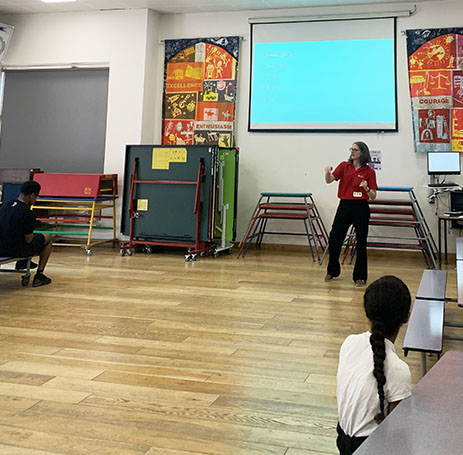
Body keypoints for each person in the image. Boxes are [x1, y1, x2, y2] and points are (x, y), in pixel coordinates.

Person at [336, 275, 412, 455]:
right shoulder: (398, 369)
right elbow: (397, 433)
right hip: (369, 447)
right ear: (406, 317)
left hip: (342, 438)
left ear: (367, 312)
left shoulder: (349, 342)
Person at [324, 142, 378, 286]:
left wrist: (366, 189)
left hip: (360, 207)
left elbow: (373, 195)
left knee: (361, 242)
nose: (352, 152)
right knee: (335, 237)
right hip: (345, 205)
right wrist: (327, 172)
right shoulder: (344, 166)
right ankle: (332, 270)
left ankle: (360, 276)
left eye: (355, 150)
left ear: (362, 152)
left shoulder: (369, 172)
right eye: (351, 149)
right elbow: (329, 181)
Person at [0, 180, 53, 287]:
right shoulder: (27, 213)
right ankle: (39, 275)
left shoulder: (5, 205)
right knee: (48, 237)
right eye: (36, 196)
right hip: (14, 250)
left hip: (0, 247)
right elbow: (28, 240)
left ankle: (23, 262)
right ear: (32, 195)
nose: (36, 199)